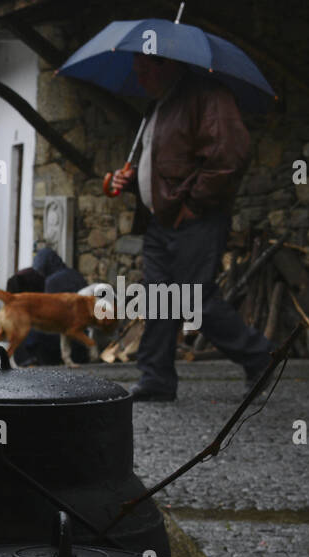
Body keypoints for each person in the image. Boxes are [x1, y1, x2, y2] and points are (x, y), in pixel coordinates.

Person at [110, 53, 272, 402]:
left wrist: (193, 205)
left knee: (193, 298)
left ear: (166, 64)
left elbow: (229, 155)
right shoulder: (158, 105)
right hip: (159, 219)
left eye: (143, 70)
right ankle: (156, 379)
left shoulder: (207, 96)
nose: (138, 78)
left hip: (193, 218)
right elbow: (165, 164)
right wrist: (129, 180)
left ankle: (261, 357)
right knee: (158, 298)